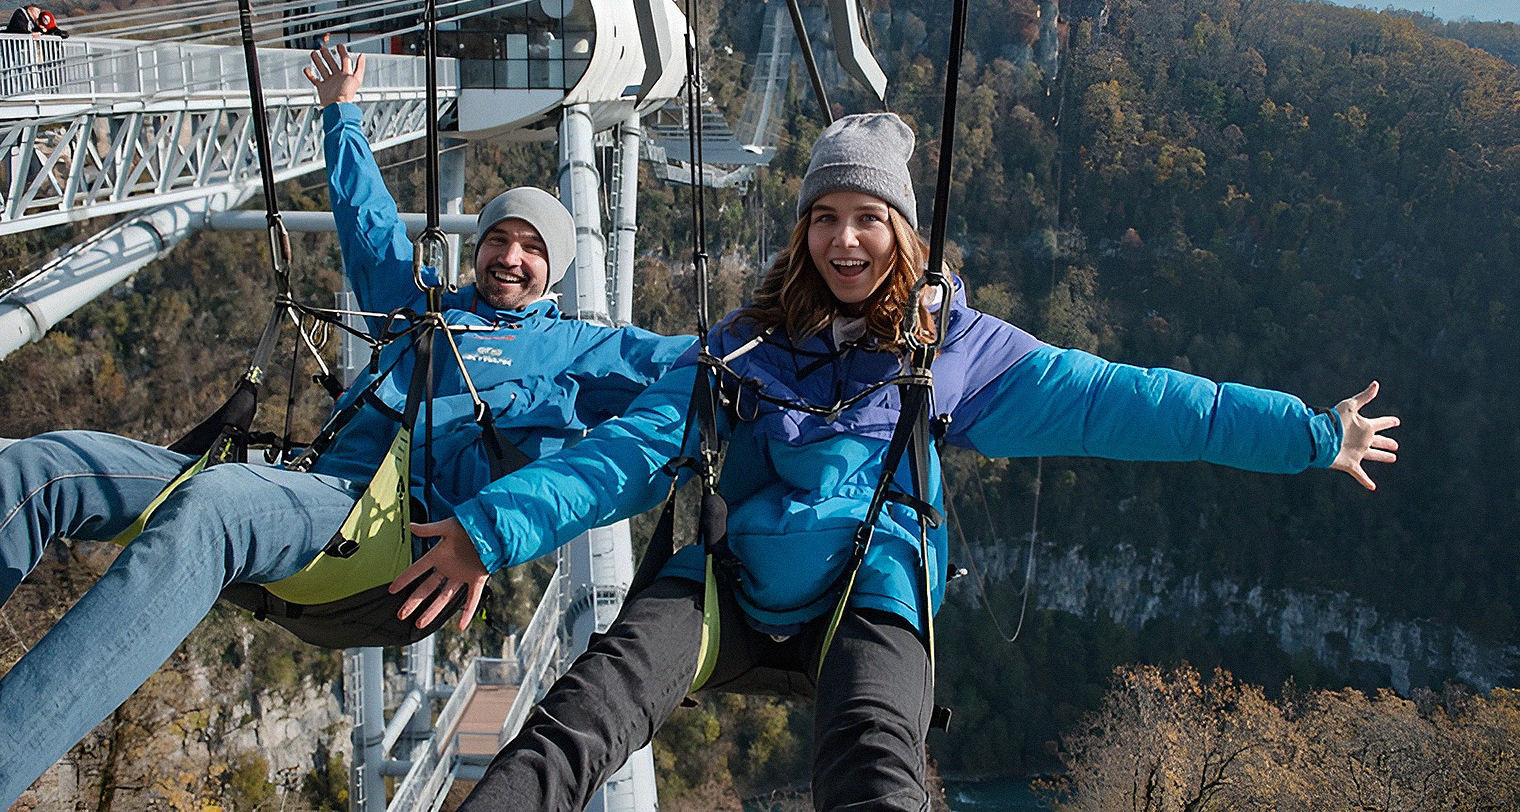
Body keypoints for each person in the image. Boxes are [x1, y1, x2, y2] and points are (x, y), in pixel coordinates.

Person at [391, 111, 1400, 812]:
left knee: (877, 766)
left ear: (902, 232)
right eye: (824, 218)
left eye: (866, 218)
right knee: (585, 712)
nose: (843, 240)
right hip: (725, 582)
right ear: (801, 232)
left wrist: (1305, 435)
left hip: (867, 591)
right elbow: (626, 451)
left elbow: (1124, 401)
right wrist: (489, 532)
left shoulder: (952, 351)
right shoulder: (743, 347)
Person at [0, 44, 691, 803]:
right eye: (499, 238)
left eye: (533, 249)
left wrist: (796, 336)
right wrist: (341, 114)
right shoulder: (427, 305)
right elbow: (369, 228)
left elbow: (698, 365)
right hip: (311, 490)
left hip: (397, 529)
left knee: (216, 507)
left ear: (554, 272)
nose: (511, 256)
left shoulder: (581, 348)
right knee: (42, 468)